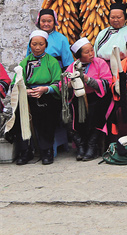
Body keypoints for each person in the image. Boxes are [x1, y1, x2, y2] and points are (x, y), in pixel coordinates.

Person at [14, 30, 62, 165]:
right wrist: (26, 91)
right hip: (28, 95)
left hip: (47, 94)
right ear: (30, 45)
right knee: (19, 115)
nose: (37, 47)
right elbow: (15, 83)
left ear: (45, 45)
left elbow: (59, 83)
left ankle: (46, 150)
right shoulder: (24, 63)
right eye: (34, 44)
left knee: (47, 116)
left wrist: (45, 89)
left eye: (41, 44)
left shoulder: (52, 61)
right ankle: (25, 151)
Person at [66, 38, 114, 161]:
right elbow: (64, 84)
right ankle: (81, 145)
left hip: (97, 97)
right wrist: (70, 84)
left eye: (92, 50)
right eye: (86, 52)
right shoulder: (73, 66)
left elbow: (107, 82)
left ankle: (92, 146)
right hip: (79, 97)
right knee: (73, 113)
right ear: (79, 55)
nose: (91, 54)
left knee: (97, 111)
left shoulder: (100, 63)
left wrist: (88, 80)